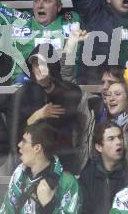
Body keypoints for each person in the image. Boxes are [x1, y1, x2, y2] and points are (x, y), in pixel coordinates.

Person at [8, 44, 82, 174]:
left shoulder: (67, 92)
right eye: (35, 64)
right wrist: (36, 116)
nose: (38, 68)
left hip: (63, 163)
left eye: (43, 63)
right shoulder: (22, 95)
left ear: (52, 66)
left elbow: (69, 130)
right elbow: (14, 138)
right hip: (30, 164)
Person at [0, 122, 82, 214]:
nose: (19, 144)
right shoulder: (19, 175)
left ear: (37, 148)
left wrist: (49, 205)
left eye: (24, 141)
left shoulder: (67, 182)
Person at [79, 121, 128, 214]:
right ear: (99, 147)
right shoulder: (88, 175)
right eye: (111, 139)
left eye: (120, 137)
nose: (118, 142)